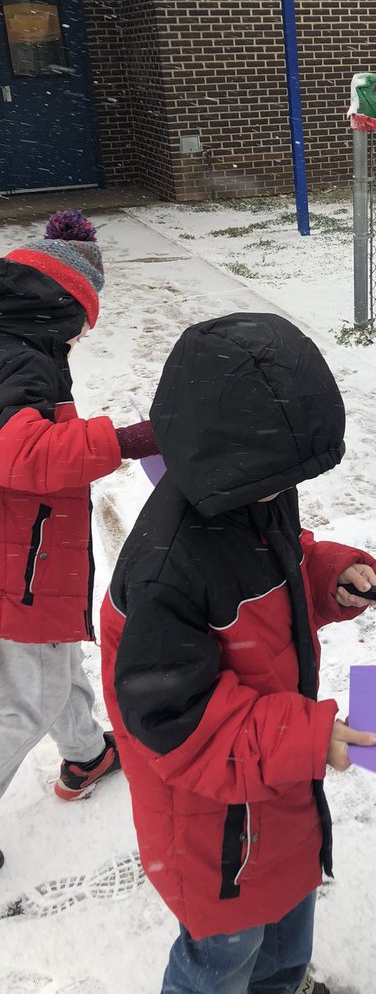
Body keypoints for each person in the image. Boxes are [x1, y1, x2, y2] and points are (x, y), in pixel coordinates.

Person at [100, 312, 376, 994]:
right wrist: (307, 737)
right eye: (276, 478)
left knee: (288, 934)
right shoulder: (168, 570)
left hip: (275, 797)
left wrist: (328, 579)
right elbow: (176, 719)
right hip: (213, 831)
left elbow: (282, 568)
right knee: (223, 959)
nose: (285, 493)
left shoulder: (253, 494)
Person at [0, 211, 156, 872]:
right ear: (62, 309)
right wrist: (120, 442)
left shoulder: (15, 341)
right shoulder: (24, 358)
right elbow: (20, 452)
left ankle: (87, 754)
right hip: (18, 561)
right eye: (81, 330)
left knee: (55, 668)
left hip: (27, 552)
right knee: (22, 699)